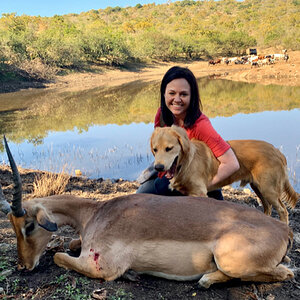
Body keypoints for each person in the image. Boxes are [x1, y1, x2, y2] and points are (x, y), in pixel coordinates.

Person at [136, 66, 240, 200]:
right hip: (174, 171)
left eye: (183, 94)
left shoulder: (201, 126)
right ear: (164, 93)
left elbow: (232, 163)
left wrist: (203, 186)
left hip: (199, 177)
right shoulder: (162, 114)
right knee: (140, 196)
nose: (177, 99)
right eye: (172, 93)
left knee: (161, 186)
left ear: (192, 97)